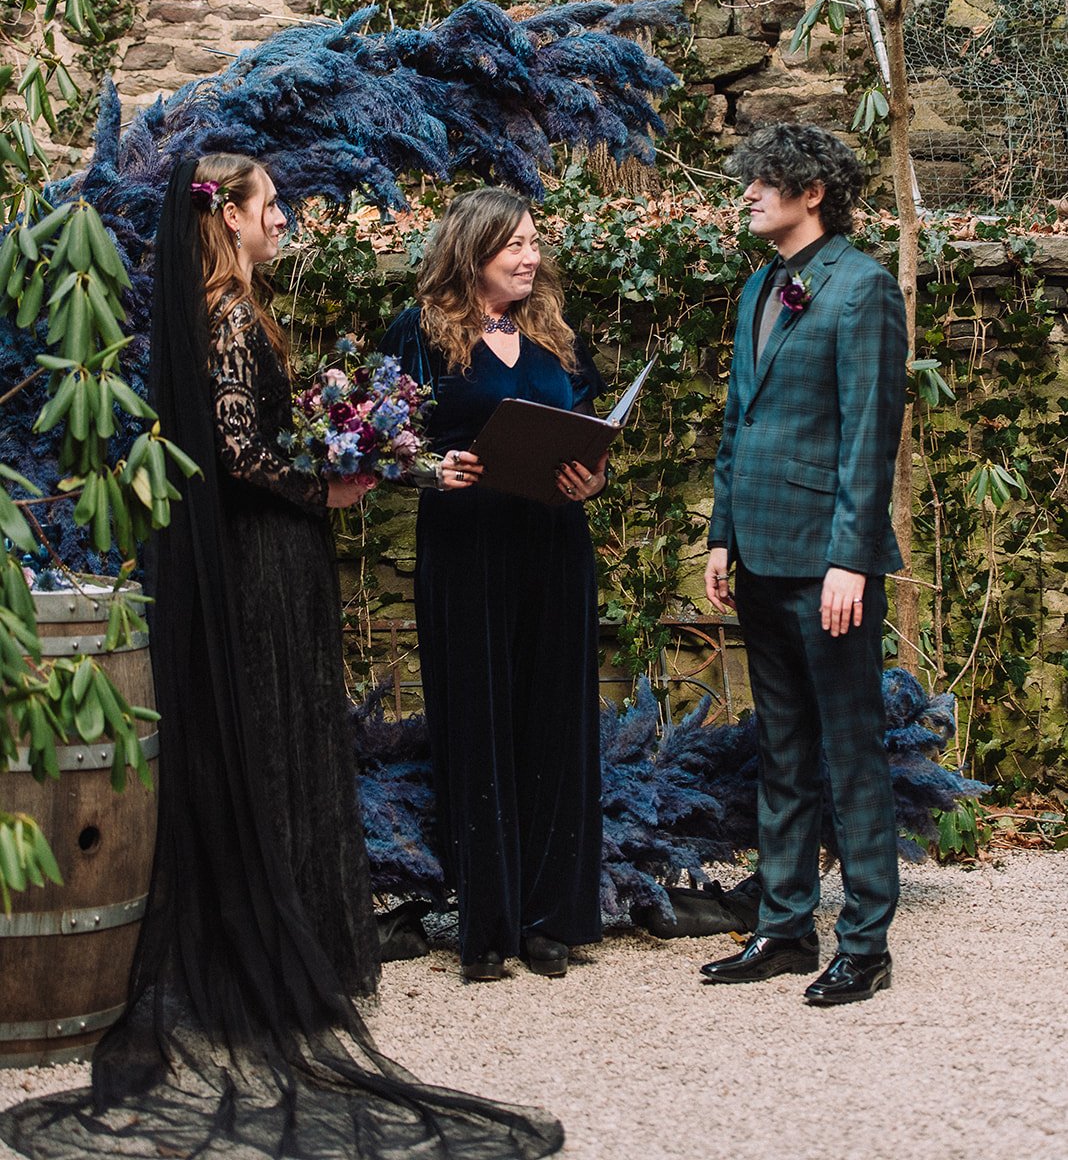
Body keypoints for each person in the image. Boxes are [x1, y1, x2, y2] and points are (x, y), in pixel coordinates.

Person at [0, 155, 563, 1159]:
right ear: (233, 221)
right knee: (270, 734)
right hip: (259, 561)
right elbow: (238, 454)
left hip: (278, 554)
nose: (282, 218)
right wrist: (330, 487)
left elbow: (262, 438)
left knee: (288, 736)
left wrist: (355, 460)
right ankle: (259, 958)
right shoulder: (226, 317)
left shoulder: (240, 312)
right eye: (269, 206)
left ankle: (282, 948)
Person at [700, 124, 907, 1007]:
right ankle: (785, 929)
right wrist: (721, 533)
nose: (747, 193)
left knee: (850, 751)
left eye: (763, 180)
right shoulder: (757, 287)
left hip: (829, 567)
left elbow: (871, 435)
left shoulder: (862, 289)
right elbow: (738, 421)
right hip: (757, 553)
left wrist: (850, 562)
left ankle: (865, 944)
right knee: (780, 749)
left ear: (813, 191)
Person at [382, 187, 606, 984]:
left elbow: (590, 434)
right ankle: (487, 925)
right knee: (476, 719)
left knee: (553, 718)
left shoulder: (557, 338)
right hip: (466, 543)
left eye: (535, 242)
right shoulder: (417, 333)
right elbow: (382, 440)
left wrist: (590, 481)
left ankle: (551, 921)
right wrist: (424, 467)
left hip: (552, 540)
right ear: (472, 250)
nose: (531, 256)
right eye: (514, 244)